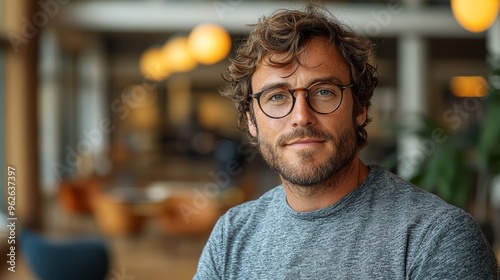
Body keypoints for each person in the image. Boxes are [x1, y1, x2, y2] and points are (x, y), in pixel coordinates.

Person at [194, 4, 499, 279]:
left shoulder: (437, 238)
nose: (301, 116)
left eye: (324, 91)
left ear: (360, 107)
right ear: (251, 121)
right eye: (276, 96)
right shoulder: (231, 236)